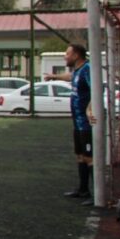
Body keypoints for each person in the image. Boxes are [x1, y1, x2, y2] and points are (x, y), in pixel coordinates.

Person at [44, 44, 94, 205]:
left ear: (77, 55)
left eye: (67, 53)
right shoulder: (78, 70)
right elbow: (71, 77)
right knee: (80, 156)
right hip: (78, 123)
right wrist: (54, 77)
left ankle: (97, 195)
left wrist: (90, 108)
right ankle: (83, 189)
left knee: (89, 158)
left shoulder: (88, 69)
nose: (65, 56)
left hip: (86, 124)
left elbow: (96, 90)